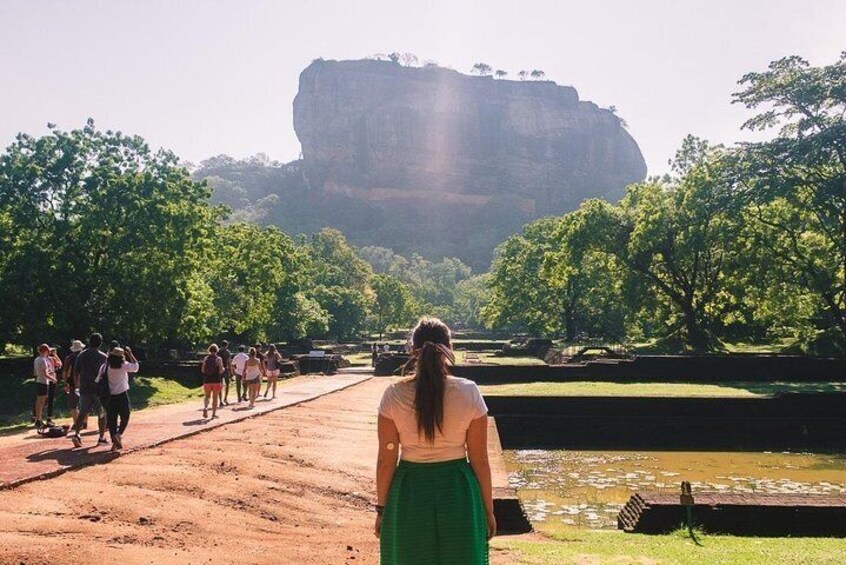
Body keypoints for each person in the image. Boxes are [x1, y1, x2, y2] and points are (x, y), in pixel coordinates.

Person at [375, 317, 494, 564]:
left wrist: (382, 510)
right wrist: (488, 511)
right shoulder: (469, 392)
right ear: (449, 349)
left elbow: (387, 460)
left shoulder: (394, 395)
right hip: (458, 490)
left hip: (410, 491)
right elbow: (480, 459)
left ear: (411, 350)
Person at [70, 333, 109, 448]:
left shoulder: (81, 355)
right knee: (102, 413)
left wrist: (77, 385)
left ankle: (77, 434)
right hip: (98, 389)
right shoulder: (103, 357)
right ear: (100, 343)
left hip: (85, 387)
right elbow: (107, 374)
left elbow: (75, 372)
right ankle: (101, 437)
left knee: (82, 412)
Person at [98, 346, 139, 451]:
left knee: (112, 419)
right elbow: (136, 367)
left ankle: (114, 440)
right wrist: (130, 354)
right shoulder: (123, 366)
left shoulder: (104, 367)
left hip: (109, 397)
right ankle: (119, 434)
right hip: (122, 395)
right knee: (125, 416)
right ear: (122, 357)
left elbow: (98, 379)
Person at [33, 344, 61, 429]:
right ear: (45, 351)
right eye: (48, 350)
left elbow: (35, 373)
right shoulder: (43, 360)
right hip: (43, 382)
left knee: (40, 401)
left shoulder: (37, 359)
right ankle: (38, 420)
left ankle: (38, 419)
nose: (49, 352)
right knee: (41, 401)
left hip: (40, 381)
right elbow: (45, 373)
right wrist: (53, 379)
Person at [62, 340, 85, 426]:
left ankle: (77, 422)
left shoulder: (69, 358)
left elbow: (65, 372)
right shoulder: (85, 357)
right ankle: (84, 421)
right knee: (85, 403)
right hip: (85, 382)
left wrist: (65, 383)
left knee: (73, 405)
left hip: (73, 383)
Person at [200, 344, 225, 419]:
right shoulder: (218, 359)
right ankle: (213, 414)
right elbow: (220, 371)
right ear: (217, 350)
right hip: (216, 380)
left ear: (209, 350)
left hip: (207, 380)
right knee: (215, 398)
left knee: (207, 396)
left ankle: (206, 407)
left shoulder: (206, 358)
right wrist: (223, 369)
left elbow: (202, 370)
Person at [218, 340, 233, 406]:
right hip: (226, 369)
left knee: (220, 385)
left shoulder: (218, 351)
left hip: (219, 369)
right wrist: (231, 371)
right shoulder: (227, 352)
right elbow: (229, 362)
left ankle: (220, 400)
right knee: (227, 384)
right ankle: (225, 398)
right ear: (227, 345)